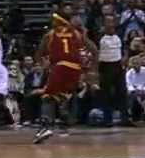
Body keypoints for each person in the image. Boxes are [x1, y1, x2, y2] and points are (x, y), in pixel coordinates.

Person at [35, 13, 98, 143]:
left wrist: (43, 64)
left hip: (61, 67)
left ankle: (45, 127)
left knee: (47, 97)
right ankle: (64, 124)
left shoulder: (50, 34)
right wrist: (92, 70)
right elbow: (94, 50)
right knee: (62, 96)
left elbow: (39, 53)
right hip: (75, 69)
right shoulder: (77, 33)